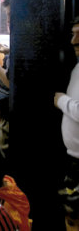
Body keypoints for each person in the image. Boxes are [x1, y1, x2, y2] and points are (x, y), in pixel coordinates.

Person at [56, 16, 79, 214]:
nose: (74, 41)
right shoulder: (77, 67)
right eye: (73, 34)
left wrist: (61, 101)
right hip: (72, 158)